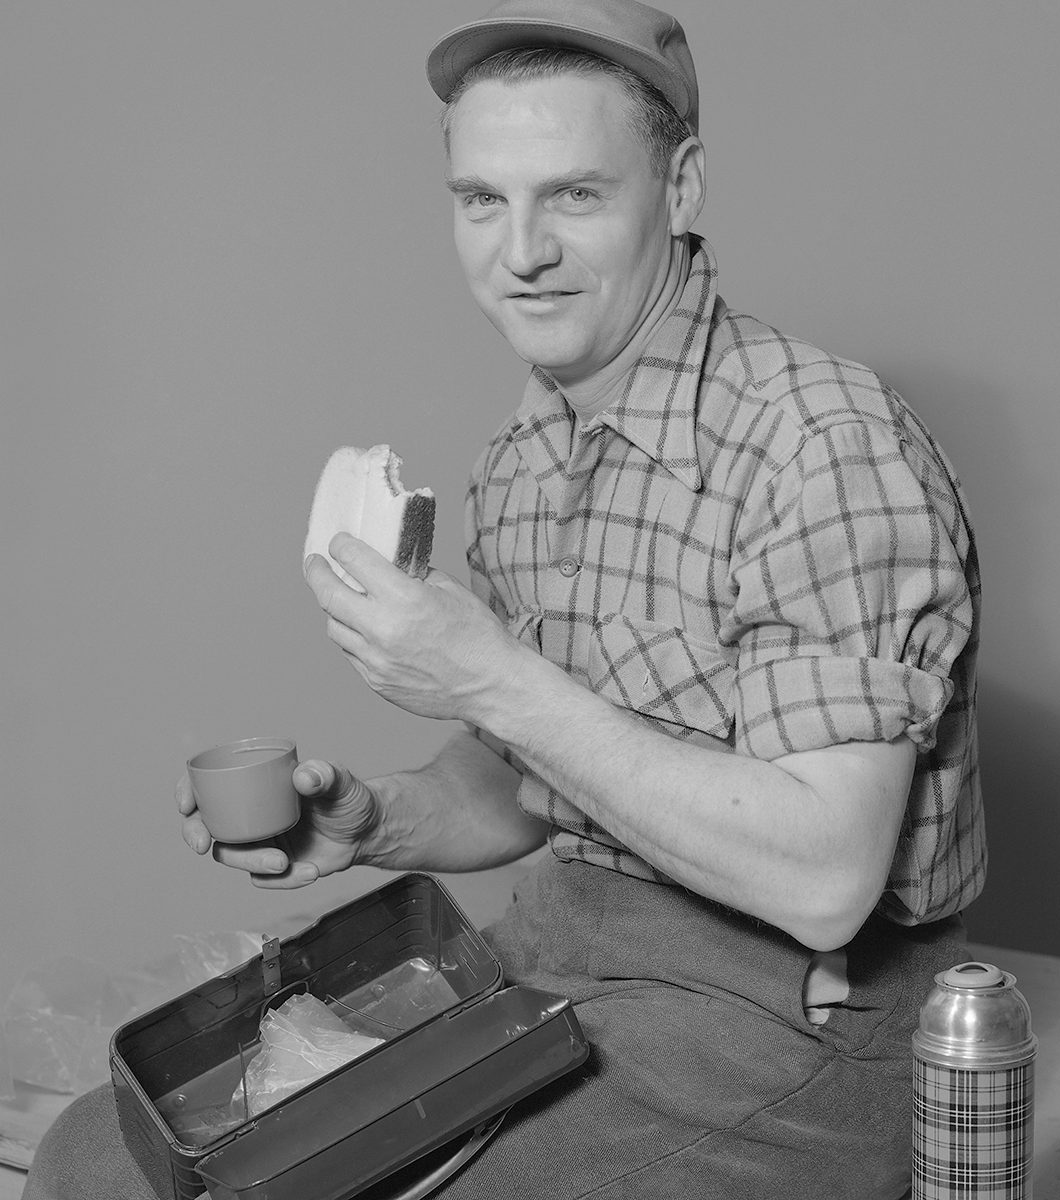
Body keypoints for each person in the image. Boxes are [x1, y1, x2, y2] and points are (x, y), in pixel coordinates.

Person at [25, 1, 984, 1197]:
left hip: (783, 1029)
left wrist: (489, 672)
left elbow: (828, 879)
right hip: (559, 960)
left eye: (574, 194)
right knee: (95, 1159)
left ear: (680, 187)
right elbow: (529, 781)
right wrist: (375, 819)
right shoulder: (524, 459)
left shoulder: (821, 443)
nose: (520, 250)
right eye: (482, 200)